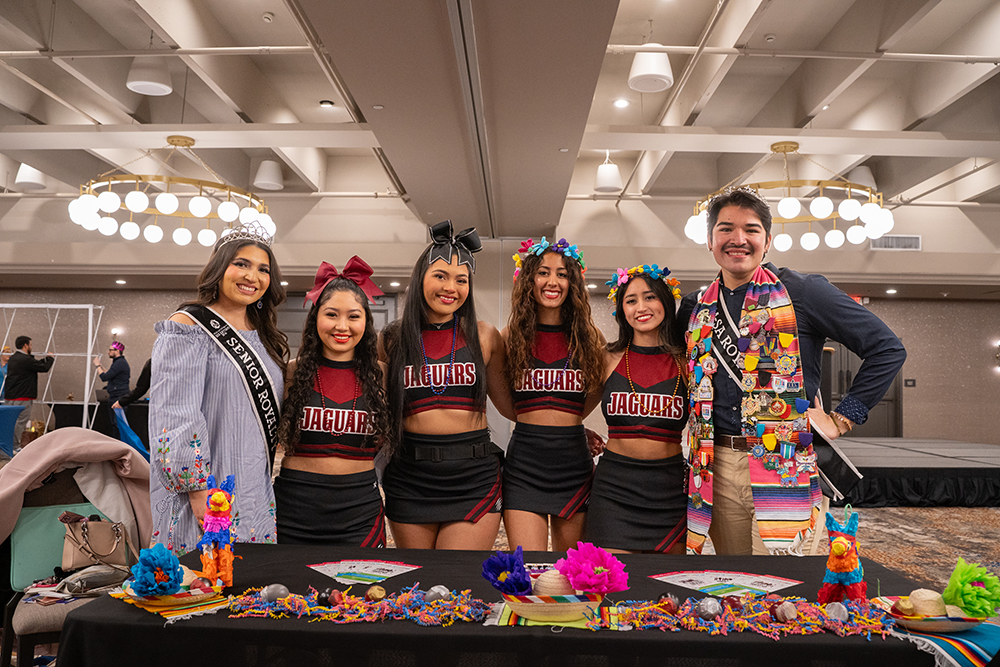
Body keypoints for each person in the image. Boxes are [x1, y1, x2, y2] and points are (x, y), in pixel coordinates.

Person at [678, 187, 906, 556]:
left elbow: (887, 348)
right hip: (715, 466)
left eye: (751, 230)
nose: (738, 240)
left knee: (780, 582)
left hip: (784, 462)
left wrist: (842, 417)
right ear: (709, 240)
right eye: (725, 229)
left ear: (767, 241)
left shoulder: (803, 291)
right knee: (735, 582)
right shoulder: (696, 307)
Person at [149, 222, 289, 555]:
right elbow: (175, 413)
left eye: (262, 269)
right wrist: (198, 492)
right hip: (206, 486)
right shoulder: (188, 326)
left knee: (248, 581)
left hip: (253, 482)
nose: (252, 276)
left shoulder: (262, 335)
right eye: (241, 264)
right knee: (201, 582)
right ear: (219, 267)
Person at [380, 220, 514, 550]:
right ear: (420, 278)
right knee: (419, 583)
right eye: (440, 276)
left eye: (461, 279)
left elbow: (513, 406)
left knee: (457, 584)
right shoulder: (392, 339)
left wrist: (569, 427)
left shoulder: (484, 336)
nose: (450, 287)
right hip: (410, 476)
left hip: (473, 476)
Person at [275, 257, 389, 547]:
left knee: (360, 590)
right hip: (295, 508)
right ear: (315, 318)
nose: (342, 326)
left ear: (366, 320)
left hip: (359, 509)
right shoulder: (290, 371)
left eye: (353, 316)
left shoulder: (382, 374)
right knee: (292, 591)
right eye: (331, 314)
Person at [501, 237, 605, 551]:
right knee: (527, 565)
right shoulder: (511, 336)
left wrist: (570, 421)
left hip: (573, 460)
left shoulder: (590, 336)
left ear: (573, 282)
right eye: (543, 272)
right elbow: (505, 399)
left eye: (562, 274)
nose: (553, 281)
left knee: (569, 569)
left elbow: (595, 389)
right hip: (525, 462)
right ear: (528, 278)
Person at [584, 265, 689, 554]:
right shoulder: (607, 358)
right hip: (614, 489)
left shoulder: (687, 362)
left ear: (666, 303)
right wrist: (580, 431)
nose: (641, 307)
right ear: (622, 310)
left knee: (667, 587)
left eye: (650, 297)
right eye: (631, 300)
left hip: (669, 490)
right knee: (612, 586)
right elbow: (572, 410)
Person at [2, 336, 55, 445]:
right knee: (20, 422)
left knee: (9, 422)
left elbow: (33, 364)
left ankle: (6, 446)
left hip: (10, 395)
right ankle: (14, 446)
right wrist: (50, 358)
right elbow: (43, 367)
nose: (31, 347)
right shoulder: (25, 359)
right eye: (30, 345)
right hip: (22, 396)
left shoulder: (13, 358)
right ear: (25, 345)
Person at [94, 341, 131, 406]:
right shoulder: (120, 362)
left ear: (117, 351)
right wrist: (101, 366)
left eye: (110, 350)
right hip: (118, 395)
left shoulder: (119, 363)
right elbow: (110, 374)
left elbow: (104, 377)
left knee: (117, 416)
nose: (108, 352)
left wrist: (97, 366)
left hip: (118, 396)